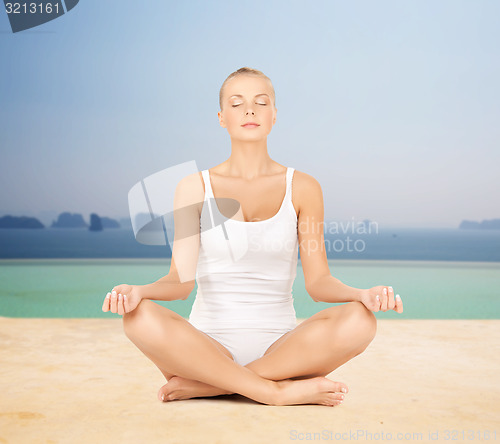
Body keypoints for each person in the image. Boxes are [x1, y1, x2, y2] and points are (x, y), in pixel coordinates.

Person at [102, 67, 404, 407]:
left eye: (261, 103)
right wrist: (139, 292)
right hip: (205, 346)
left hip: (283, 350)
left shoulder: (303, 187)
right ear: (221, 117)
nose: (249, 110)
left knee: (362, 321)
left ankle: (213, 385)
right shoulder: (193, 187)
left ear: (274, 116)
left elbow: (319, 283)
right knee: (138, 317)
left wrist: (363, 294)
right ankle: (272, 390)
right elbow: (180, 282)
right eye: (237, 103)